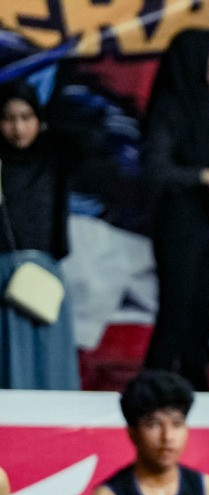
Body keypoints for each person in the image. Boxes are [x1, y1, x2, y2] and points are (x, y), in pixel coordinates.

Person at [141, 31, 209, 391]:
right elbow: (157, 170)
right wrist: (207, 177)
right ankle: (153, 390)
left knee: (202, 312)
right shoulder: (171, 107)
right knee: (177, 311)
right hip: (178, 223)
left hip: (206, 224)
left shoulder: (205, 107)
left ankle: (194, 390)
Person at [0, 83, 84, 391]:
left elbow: (89, 140)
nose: (18, 128)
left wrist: (51, 119)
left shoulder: (55, 158)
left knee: (50, 363)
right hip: (3, 278)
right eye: (9, 119)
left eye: (26, 117)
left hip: (45, 277)